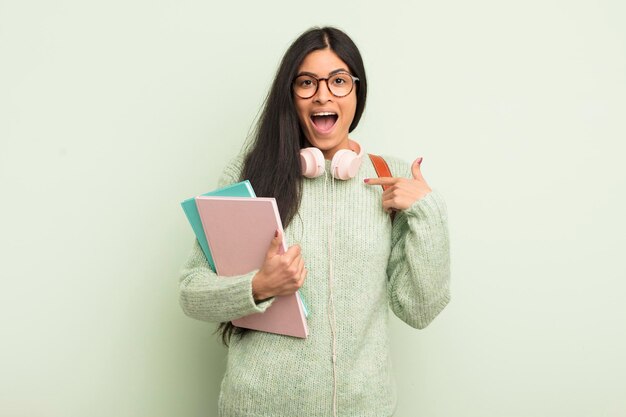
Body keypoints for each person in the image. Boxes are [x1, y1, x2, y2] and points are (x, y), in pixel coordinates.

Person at [178, 26, 450, 417]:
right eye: (307, 82)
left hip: (363, 408)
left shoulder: (391, 177)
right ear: (291, 95)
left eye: (339, 81)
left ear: (357, 91)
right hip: (259, 407)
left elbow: (419, 310)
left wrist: (429, 211)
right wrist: (259, 285)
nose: (323, 94)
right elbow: (192, 292)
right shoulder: (250, 174)